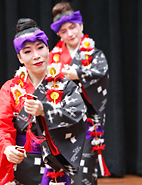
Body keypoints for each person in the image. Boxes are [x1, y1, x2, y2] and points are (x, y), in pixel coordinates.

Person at [0, 18, 87, 185]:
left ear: (48, 48)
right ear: (19, 58)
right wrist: (7, 148)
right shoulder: (10, 88)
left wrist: (45, 110)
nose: (36, 56)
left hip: (56, 163)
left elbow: (77, 114)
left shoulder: (65, 85)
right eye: (27, 52)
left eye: (40, 48)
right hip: (22, 163)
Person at [49, 2, 110, 185]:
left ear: (81, 25)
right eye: (64, 31)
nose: (70, 34)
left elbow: (101, 74)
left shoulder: (94, 55)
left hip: (86, 120)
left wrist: (78, 75)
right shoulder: (53, 57)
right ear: (59, 34)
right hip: (61, 121)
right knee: (60, 172)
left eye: (73, 28)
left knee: (84, 170)